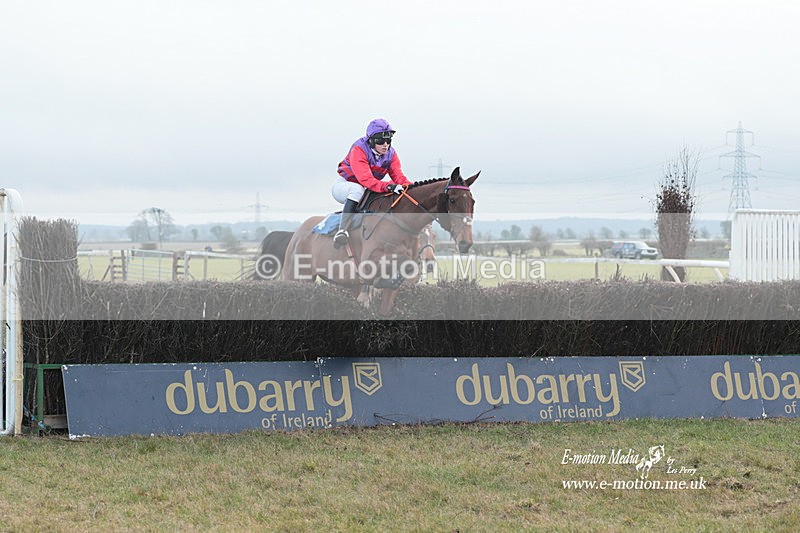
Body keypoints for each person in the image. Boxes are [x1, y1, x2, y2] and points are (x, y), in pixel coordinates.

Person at [331, 118, 413, 248]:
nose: (385, 145)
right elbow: (366, 180)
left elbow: (398, 177)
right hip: (344, 185)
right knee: (357, 190)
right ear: (372, 140)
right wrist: (389, 186)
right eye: (381, 141)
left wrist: (413, 188)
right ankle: (342, 231)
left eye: (388, 141)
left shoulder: (391, 154)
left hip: (368, 188)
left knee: (391, 190)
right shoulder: (359, 149)